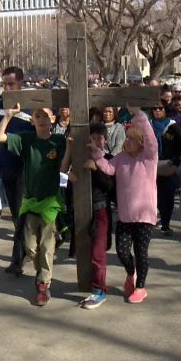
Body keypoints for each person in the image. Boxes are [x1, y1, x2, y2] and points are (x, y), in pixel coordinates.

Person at [0, 106, 72, 307]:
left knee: (46, 246)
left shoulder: (59, 141)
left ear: (53, 118)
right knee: (29, 248)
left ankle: (43, 284)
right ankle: (42, 272)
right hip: (30, 202)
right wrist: (9, 115)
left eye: (46, 115)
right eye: (38, 116)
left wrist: (70, 149)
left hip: (51, 202)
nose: (42, 119)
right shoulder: (26, 138)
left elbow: (64, 167)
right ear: (33, 121)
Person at [91, 107, 158, 304]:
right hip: (125, 217)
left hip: (145, 217)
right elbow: (107, 168)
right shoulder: (120, 159)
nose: (126, 141)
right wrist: (95, 151)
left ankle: (140, 287)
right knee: (121, 251)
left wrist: (139, 115)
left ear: (141, 142)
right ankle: (131, 273)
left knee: (141, 253)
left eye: (131, 138)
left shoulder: (149, 158)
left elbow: (152, 140)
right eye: (126, 138)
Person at [0, 66, 34, 275]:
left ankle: (19, 258)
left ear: (20, 84)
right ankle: (22, 254)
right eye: (4, 83)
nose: (7, 87)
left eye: (11, 84)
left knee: (23, 215)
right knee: (17, 214)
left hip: (25, 168)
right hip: (6, 167)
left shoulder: (30, 106)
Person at [79, 123, 115, 309]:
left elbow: (110, 187)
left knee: (98, 253)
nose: (96, 141)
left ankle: (99, 291)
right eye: (93, 137)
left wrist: (96, 169)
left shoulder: (110, 159)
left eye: (100, 137)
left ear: (106, 140)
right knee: (83, 251)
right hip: (81, 209)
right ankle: (93, 284)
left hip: (101, 209)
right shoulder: (80, 157)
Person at [151, 100, 181, 236]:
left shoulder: (173, 126)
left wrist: (176, 162)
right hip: (153, 166)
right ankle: (159, 217)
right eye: (155, 108)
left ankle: (166, 223)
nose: (158, 111)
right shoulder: (149, 126)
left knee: (168, 196)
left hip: (170, 165)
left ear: (165, 110)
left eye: (160, 108)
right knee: (157, 196)